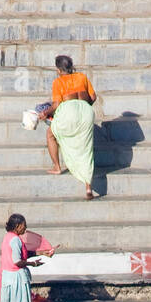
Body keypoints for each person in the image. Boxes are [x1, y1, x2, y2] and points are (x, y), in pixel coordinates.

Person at [41, 55, 97, 200]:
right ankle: (88, 188)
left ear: (59, 70)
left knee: (50, 134)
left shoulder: (58, 82)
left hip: (69, 112)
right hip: (86, 112)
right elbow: (93, 96)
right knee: (86, 149)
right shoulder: (82, 77)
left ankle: (57, 167)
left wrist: (44, 114)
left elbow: (56, 105)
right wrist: (83, 107)